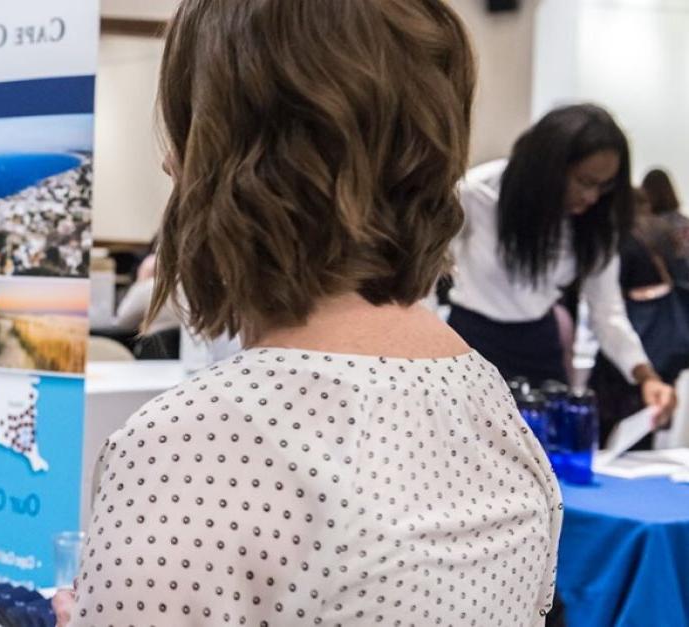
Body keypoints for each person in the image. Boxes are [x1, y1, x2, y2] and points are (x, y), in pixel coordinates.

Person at [59, 0, 562, 624]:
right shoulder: (488, 403)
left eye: (188, 128)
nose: (168, 162)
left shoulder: (194, 446)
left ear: (232, 161)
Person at [447, 105, 676, 427]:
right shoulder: (478, 194)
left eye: (604, 185)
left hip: (540, 347)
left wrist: (645, 376)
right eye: (584, 181)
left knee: (548, 459)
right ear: (548, 167)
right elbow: (423, 283)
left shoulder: (596, 223)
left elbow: (606, 313)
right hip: (469, 343)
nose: (593, 196)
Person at [589, 189, 689, 443]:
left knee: (618, 410)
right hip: (666, 337)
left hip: (634, 332)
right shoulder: (666, 231)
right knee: (654, 407)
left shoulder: (624, 239)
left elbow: (607, 305)